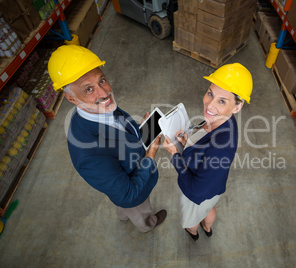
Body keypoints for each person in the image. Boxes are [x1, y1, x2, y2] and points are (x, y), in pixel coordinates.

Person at [47, 45, 166, 233]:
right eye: (88, 89)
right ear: (71, 98)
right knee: (136, 206)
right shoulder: (87, 152)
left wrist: (142, 132)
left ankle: (123, 214)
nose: (104, 93)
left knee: (120, 201)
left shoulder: (102, 108)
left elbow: (122, 132)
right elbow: (129, 194)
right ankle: (147, 224)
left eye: (102, 80)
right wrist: (150, 155)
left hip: (123, 178)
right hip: (134, 185)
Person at [162, 63, 252, 240]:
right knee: (208, 208)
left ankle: (193, 231)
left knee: (192, 217)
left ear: (237, 107)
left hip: (198, 192)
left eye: (222, 101)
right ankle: (208, 228)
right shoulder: (224, 121)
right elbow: (205, 150)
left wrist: (174, 155)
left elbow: (195, 190)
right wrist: (189, 141)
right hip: (213, 188)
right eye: (210, 93)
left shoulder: (221, 147)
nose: (209, 105)